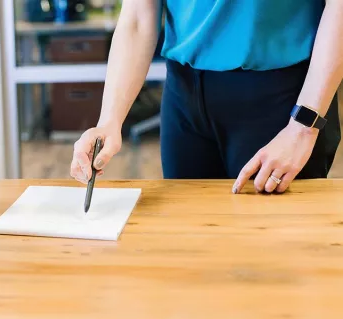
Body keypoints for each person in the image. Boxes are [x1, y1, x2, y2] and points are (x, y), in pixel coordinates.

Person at [71, 0, 342, 194]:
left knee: (273, 260)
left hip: (281, 99)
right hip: (184, 96)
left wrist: (303, 127)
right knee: (190, 249)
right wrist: (109, 120)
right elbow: (139, 16)